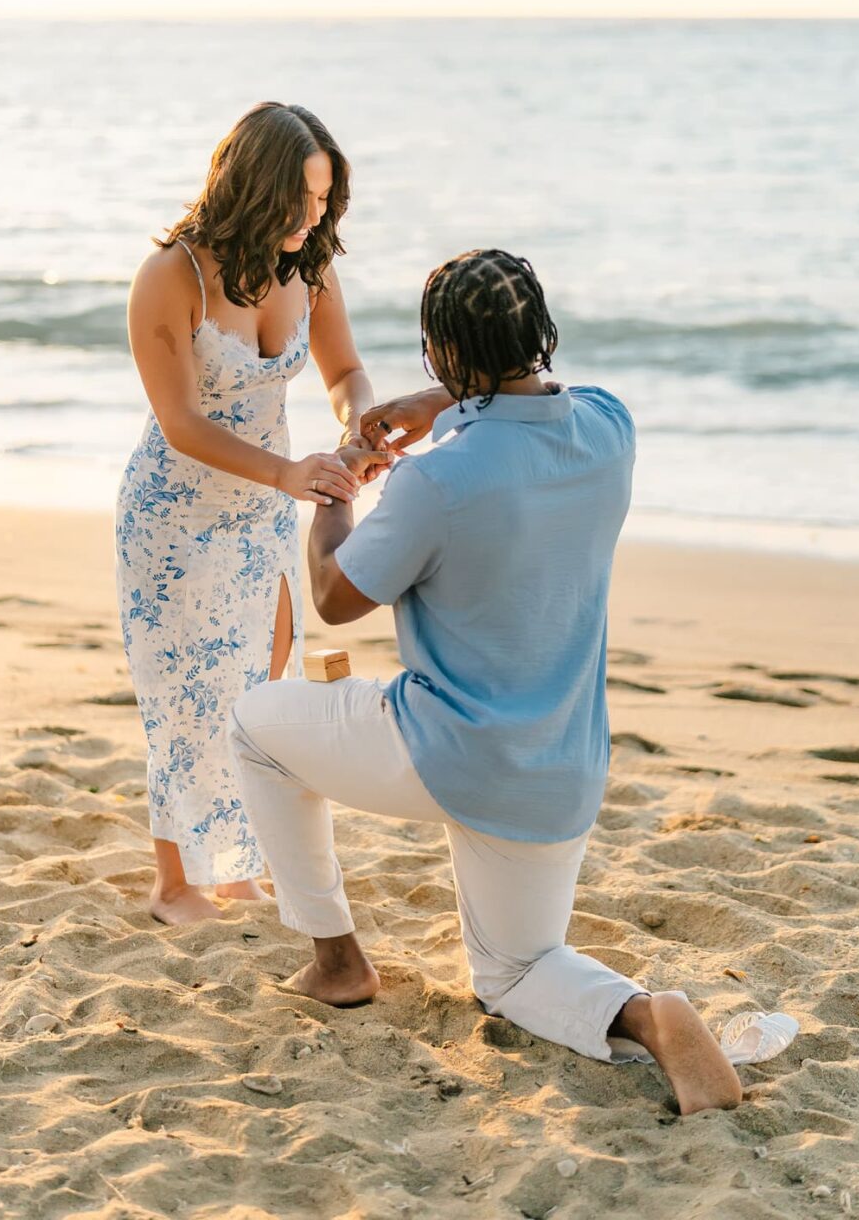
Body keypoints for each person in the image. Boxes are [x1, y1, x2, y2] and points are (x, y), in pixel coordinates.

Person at [229, 247, 743, 1115]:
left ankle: (337, 960)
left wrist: (339, 487)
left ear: (441, 355)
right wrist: (449, 403)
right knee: (514, 973)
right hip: (561, 771)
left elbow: (333, 596)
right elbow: (540, 399)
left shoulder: (437, 481)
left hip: (446, 750)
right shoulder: (611, 430)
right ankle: (649, 1015)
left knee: (255, 727)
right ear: (540, 330)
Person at [115, 102, 386, 924]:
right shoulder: (172, 276)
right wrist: (287, 473)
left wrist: (358, 428)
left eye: (323, 198)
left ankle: (233, 866)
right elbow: (181, 422)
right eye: (299, 199)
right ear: (252, 188)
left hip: (269, 508)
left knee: (257, 690)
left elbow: (346, 373)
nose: (312, 217)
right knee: (182, 695)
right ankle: (174, 883)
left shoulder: (310, 264)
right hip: (174, 515)